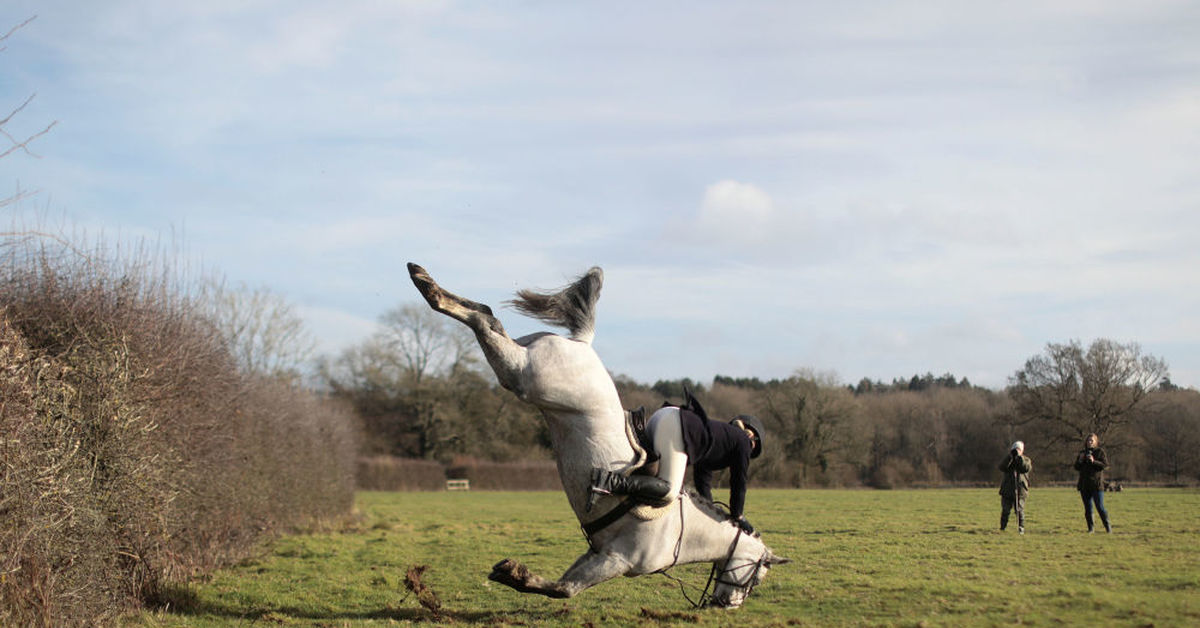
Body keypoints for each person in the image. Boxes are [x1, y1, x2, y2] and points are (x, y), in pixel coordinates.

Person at [589, 397, 764, 534]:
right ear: (752, 438)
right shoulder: (743, 441)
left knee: (654, 478)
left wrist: (710, 512)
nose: (750, 453)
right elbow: (739, 481)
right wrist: (738, 515)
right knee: (670, 489)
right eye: (752, 449)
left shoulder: (719, 439)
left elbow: (703, 480)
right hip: (675, 425)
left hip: (662, 416)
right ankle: (609, 481)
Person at [1074, 433, 1111, 533]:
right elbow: (1076, 467)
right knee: (1088, 508)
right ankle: (1091, 529)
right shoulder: (1082, 453)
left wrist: (1094, 461)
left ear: (1096, 442)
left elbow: (1105, 465)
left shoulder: (1100, 452)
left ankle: (1108, 527)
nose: (1089, 442)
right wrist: (1080, 460)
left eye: (1092, 441)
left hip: (1096, 485)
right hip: (1084, 485)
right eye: (1088, 440)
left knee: (1100, 507)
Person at [998, 440, 1032, 534]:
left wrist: (1019, 458)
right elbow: (1001, 467)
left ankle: (1021, 527)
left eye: (1018, 449)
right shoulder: (1009, 460)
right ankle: (1002, 527)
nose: (1016, 451)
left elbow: (1026, 468)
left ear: (1022, 451)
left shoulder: (1026, 460)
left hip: (1020, 490)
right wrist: (1010, 458)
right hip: (1007, 489)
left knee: (1019, 510)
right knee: (1005, 510)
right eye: (1015, 449)